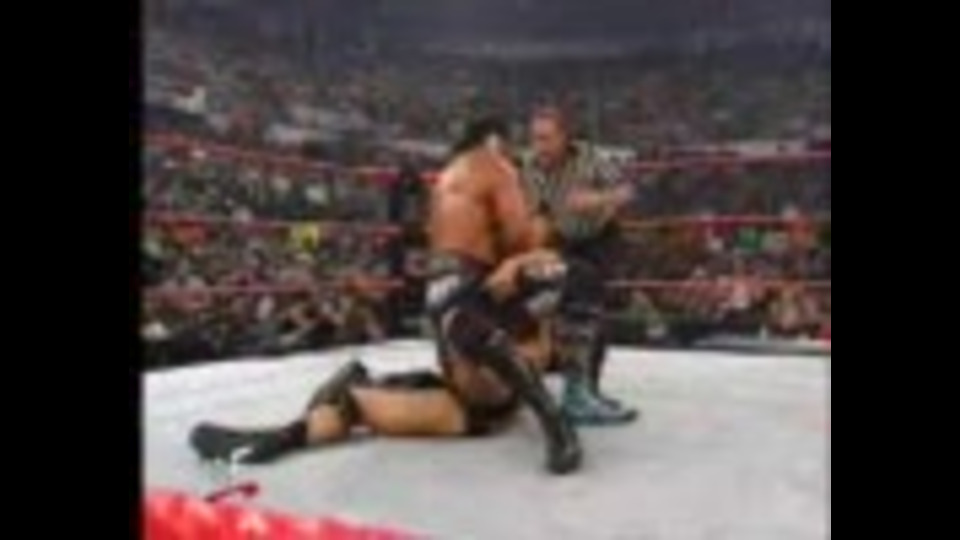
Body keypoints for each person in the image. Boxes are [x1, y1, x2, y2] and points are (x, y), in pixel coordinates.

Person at [188, 116, 583, 474]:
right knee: (352, 398)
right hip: (467, 402)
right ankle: (271, 441)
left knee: (471, 317)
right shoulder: (485, 208)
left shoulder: (521, 238)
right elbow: (506, 243)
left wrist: (518, 263)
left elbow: (542, 257)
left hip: (493, 373)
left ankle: (558, 427)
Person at [518, 106, 639, 425]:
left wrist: (598, 200)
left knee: (595, 310)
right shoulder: (527, 166)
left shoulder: (591, 159)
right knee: (572, 301)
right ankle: (576, 390)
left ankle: (588, 390)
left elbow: (629, 191)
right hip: (559, 239)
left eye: (546, 138)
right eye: (535, 138)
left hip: (599, 238)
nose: (540, 146)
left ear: (564, 138)